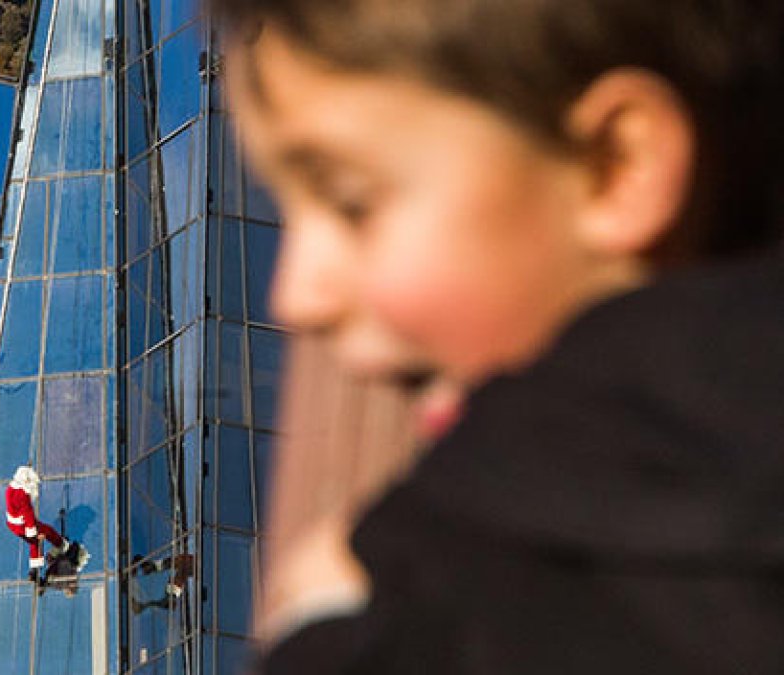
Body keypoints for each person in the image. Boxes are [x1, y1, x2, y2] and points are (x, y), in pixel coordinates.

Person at [210, 0, 784, 672]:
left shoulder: (453, 611)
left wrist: (322, 626)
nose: (295, 296)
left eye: (351, 203)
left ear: (618, 162)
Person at [6, 465, 74, 582]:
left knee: (35, 542)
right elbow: (28, 513)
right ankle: (62, 545)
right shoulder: (23, 495)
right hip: (24, 525)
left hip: (14, 525)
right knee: (47, 531)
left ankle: (35, 569)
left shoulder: (10, 489)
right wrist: (32, 531)